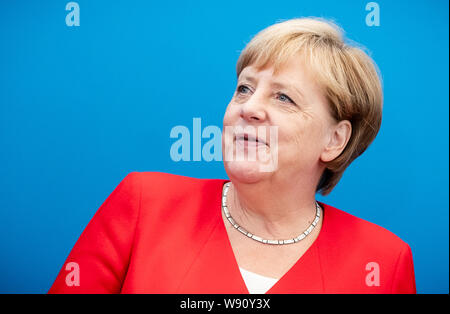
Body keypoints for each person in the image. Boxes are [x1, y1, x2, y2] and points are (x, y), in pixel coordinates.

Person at [49, 17, 416, 294]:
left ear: (334, 140)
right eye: (244, 89)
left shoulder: (384, 261)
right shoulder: (144, 203)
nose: (249, 108)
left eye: (283, 97)